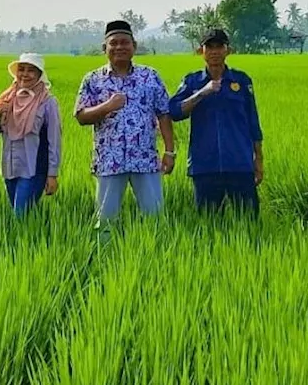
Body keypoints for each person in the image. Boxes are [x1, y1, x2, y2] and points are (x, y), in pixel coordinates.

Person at [74, 20, 176, 242]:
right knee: (105, 219)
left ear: (134, 46)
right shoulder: (93, 79)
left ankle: (156, 256)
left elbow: (164, 114)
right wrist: (107, 106)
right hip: (109, 161)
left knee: (154, 216)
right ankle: (102, 257)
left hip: (145, 159)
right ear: (105, 49)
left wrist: (169, 151)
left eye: (124, 43)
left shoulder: (150, 76)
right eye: (114, 43)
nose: (119, 47)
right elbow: (81, 116)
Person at [169, 28, 264, 214]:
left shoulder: (241, 81)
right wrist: (202, 93)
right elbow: (174, 111)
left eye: (219, 46)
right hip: (205, 165)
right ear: (200, 51)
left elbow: (253, 122)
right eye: (209, 46)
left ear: (228, 50)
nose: (214, 51)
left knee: (249, 223)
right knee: (208, 225)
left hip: (239, 163)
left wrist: (258, 159)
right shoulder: (192, 81)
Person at [0, 52, 62, 216]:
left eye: (31, 70)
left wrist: (52, 174)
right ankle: (30, 239)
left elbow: (55, 140)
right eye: (22, 69)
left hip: (34, 168)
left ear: (39, 75)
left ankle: (26, 240)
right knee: (21, 215)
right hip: (10, 167)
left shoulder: (47, 102)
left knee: (20, 215)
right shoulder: (6, 98)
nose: (25, 74)